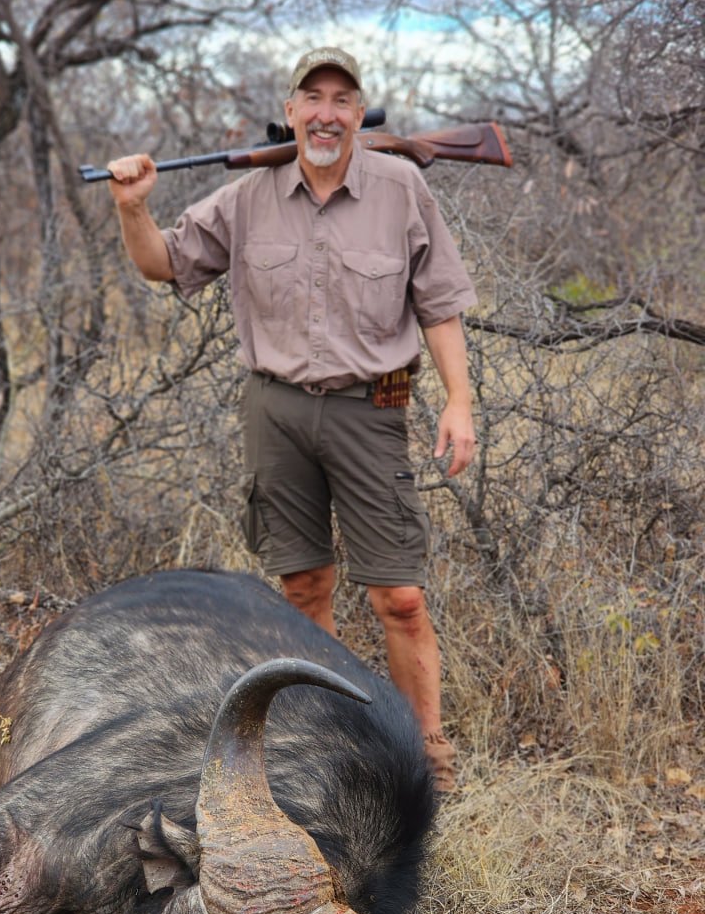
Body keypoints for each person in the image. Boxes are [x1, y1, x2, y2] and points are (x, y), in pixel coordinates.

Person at [105, 47, 477, 791]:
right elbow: (164, 264)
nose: (328, 113)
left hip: (372, 406)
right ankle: (335, 750)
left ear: (361, 111)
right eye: (314, 97)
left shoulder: (400, 186)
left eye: (344, 99)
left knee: (398, 597)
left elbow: (439, 305)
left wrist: (461, 402)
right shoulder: (248, 196)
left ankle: (426, 760)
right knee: (304, 588)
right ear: (291, 109)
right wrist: (132, 207)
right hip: (273, 409)